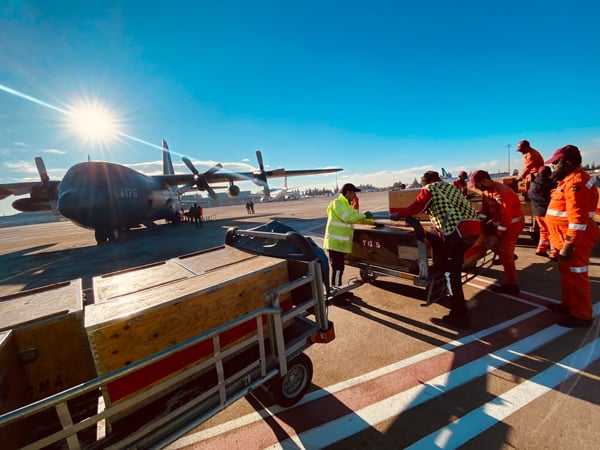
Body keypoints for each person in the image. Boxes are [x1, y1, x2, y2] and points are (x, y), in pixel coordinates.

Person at [390, 171, 480, 328]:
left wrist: (398, 214)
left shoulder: (430, 188)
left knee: (452, 275)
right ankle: (440, 264)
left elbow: (416, 206)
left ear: (427, 181)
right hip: (472, 229)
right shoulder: (450, 187)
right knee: (433, 235)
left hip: (456, 232)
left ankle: (459, 315)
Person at [544, 145, 600, 328]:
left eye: (555, 163)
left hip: (576, 241)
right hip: (566, 239)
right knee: (567, 274)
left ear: (567, 163)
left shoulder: (576, 183)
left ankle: (582, 316)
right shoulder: (569, 180)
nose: (553, 167)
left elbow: (577, 219)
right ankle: (568, 305)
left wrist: (569, 245)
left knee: (577, 276)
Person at [469, 170, 524, 295]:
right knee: (490, 242)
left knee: (505, 254)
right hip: (500, 222)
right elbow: (485, 209)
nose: (476, 188)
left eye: (477, 185)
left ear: (484, 181)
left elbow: (506, 217)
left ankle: (513, 286)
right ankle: (507, 255)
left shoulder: (503, 193)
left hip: (511, 226)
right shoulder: (486, 191)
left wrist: (499, 233)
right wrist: (479, 222)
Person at [324, 183, 375, 290]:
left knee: (340, 268)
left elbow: (356, 218)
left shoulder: (347, 204)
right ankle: (336, 293)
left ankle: (339, 291)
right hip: (335, 243)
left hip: (340, 244)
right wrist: (364, 214)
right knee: (337, 269)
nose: (355, 195)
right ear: (348, 193)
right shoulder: (337, 203)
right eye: (353, 193)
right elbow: (348, 218)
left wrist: (372, 222)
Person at [528, 165, 556, 258]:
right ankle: (554, 253)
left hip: (537, 212)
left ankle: (541, 249)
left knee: (543, 231)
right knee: (552, 232)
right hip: (547, 212)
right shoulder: (550, 183)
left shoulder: (533, 182)